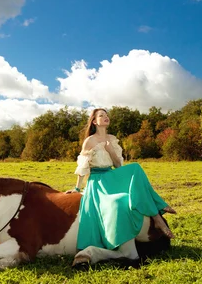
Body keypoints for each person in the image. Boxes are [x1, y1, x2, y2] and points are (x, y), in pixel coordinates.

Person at [66, 108, 176, 251]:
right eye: (101, 115)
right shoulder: (89, 141)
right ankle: (158, 213)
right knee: (121, 198)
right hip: (98, 180)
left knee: (135, 168)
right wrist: (77, 188)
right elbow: (83, 166)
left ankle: (156, 215)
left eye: (107, 115)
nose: (106, 117)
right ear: (94, 121)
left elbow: (118, 165)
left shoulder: (112, 139)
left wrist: (110, 150)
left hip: (111, 175)